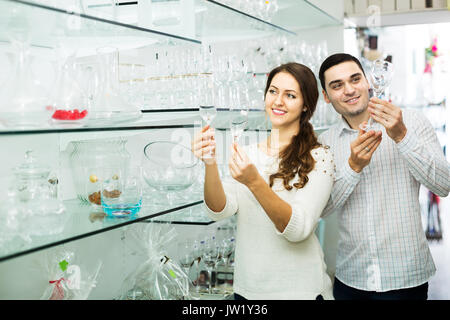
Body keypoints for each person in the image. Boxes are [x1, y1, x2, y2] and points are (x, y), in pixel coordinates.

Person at [191, 62, 335, 300]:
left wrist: (255, 182)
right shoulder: (249, 153)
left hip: (300, 292)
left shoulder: (319, 156)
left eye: (290, 95)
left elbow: (298, 229)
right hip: (248, 291)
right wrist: (209, 163)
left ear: (306, 105)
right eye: (273, 91)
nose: (278, 101)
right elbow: (219, 209)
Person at [317, 53, 450, 300]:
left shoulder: (411, 122)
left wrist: (401, 136)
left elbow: (443, 184)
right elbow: (321, 209)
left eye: (355, 79)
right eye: (337, 85)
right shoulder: (325, 142)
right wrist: (353, 167)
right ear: (326, 96)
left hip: (406, 277)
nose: (349, 89)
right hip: (350, 279)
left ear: (368, 81)